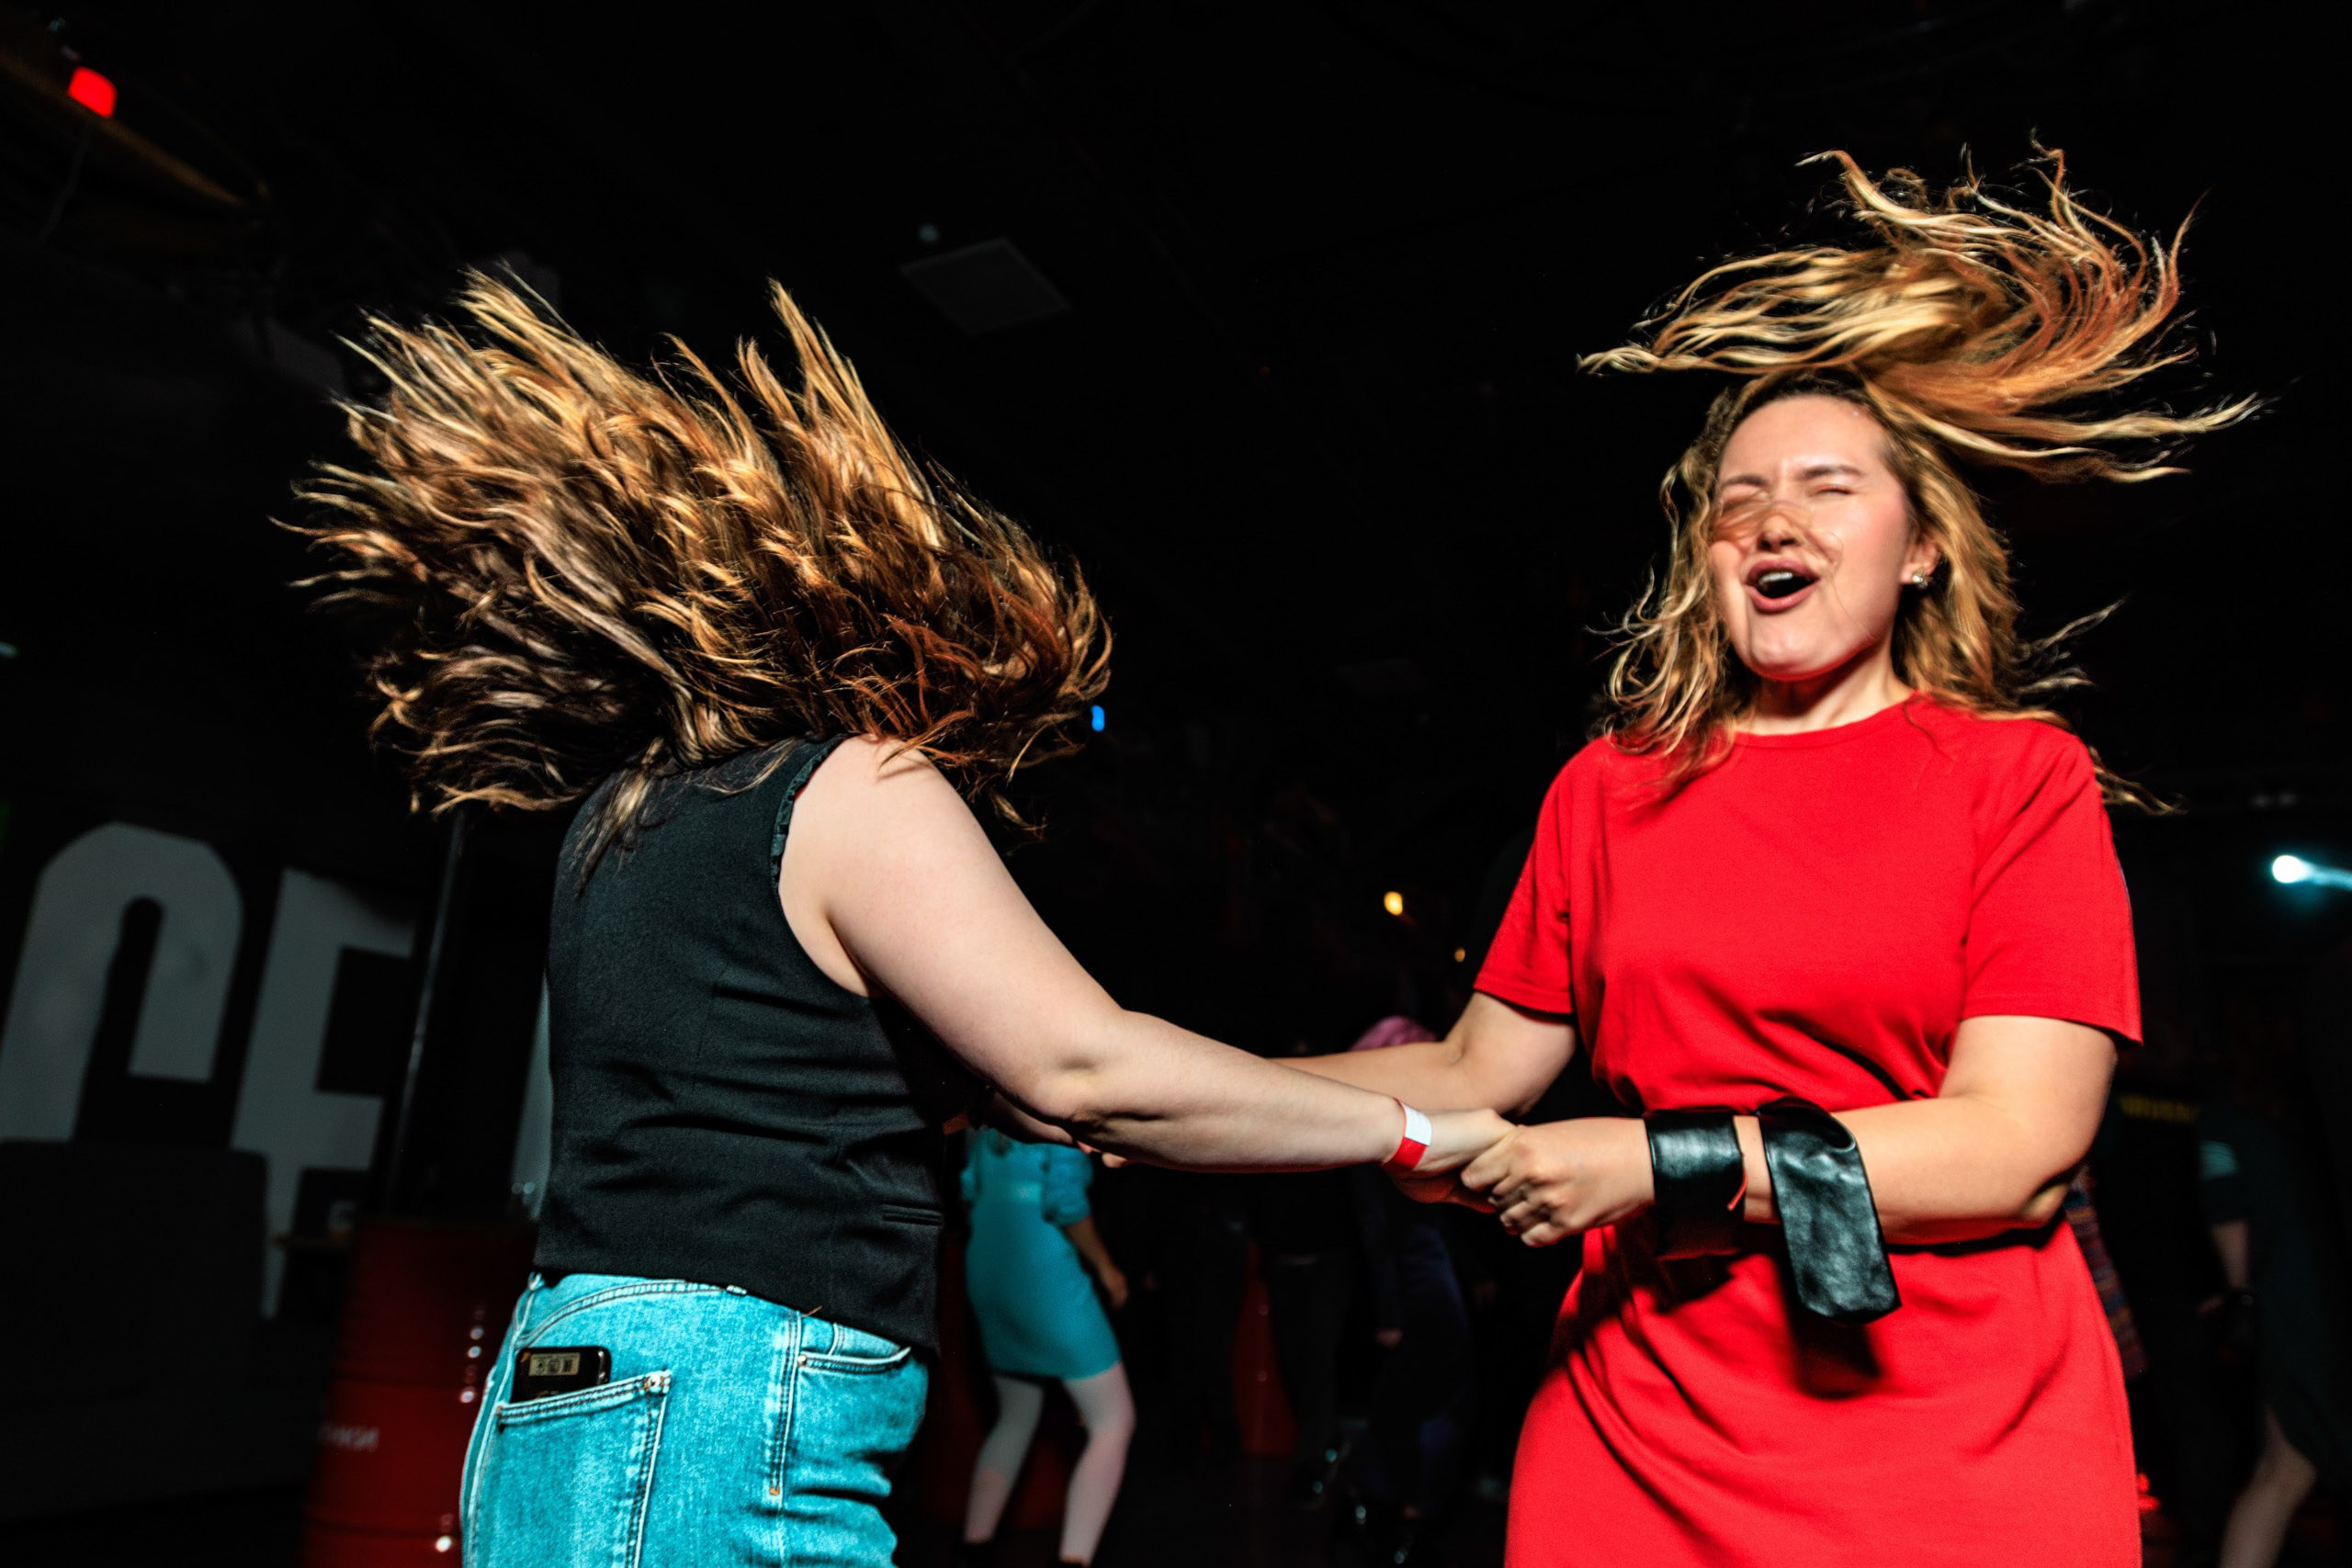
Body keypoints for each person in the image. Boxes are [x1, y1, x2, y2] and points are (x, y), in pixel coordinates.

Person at [296, 276, 1513, 1568]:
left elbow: (1050, 1102)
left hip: (571, 1384)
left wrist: (1333, 1105)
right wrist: (1414, 1128)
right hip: (718, 1397)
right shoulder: (850, 786)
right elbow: (1087, 1067)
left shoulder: (626, 817)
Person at [1287, 152, 2249, 1566]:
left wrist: (1654, 1160)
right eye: (1737, 501)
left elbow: (2015, 1144)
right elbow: (1468, 1071)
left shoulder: (2016, 776)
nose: (1772, 521)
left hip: (1956, 1437)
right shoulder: (1608, 789)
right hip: (1643, 1428)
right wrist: (1123, 1068)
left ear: (1923, 546)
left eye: (1826, 487)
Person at [959, 1132, 1133, 1567]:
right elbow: (1066, 1202)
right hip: (1044, 1276)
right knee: (1113, 1421)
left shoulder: (987, 1110)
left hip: (989, 1266)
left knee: (1015, 1416)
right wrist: (1107, 1268)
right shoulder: (1053, 1109)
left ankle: (970, 1552)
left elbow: (969, 1189)